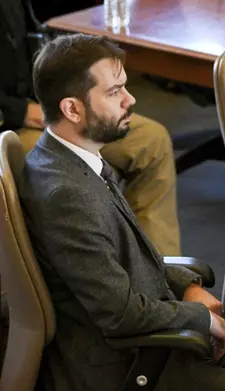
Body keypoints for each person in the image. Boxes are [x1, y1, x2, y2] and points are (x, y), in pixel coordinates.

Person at [18, 33, 225, 391]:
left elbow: (125, 259)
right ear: (73, 109)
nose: (130, 100)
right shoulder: (67, 195)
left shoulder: (71, 160)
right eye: (114, 92)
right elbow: (120, 314)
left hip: (157, 334)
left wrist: (185, 286)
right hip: (134, 363)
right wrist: (198, 317)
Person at [0, 0, 181, 256]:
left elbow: (36, 46)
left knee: (150, 141)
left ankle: (160, 270)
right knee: (64, 169)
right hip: (11, 127)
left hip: (49, 104)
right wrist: (21, 112)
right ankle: (98, 273)